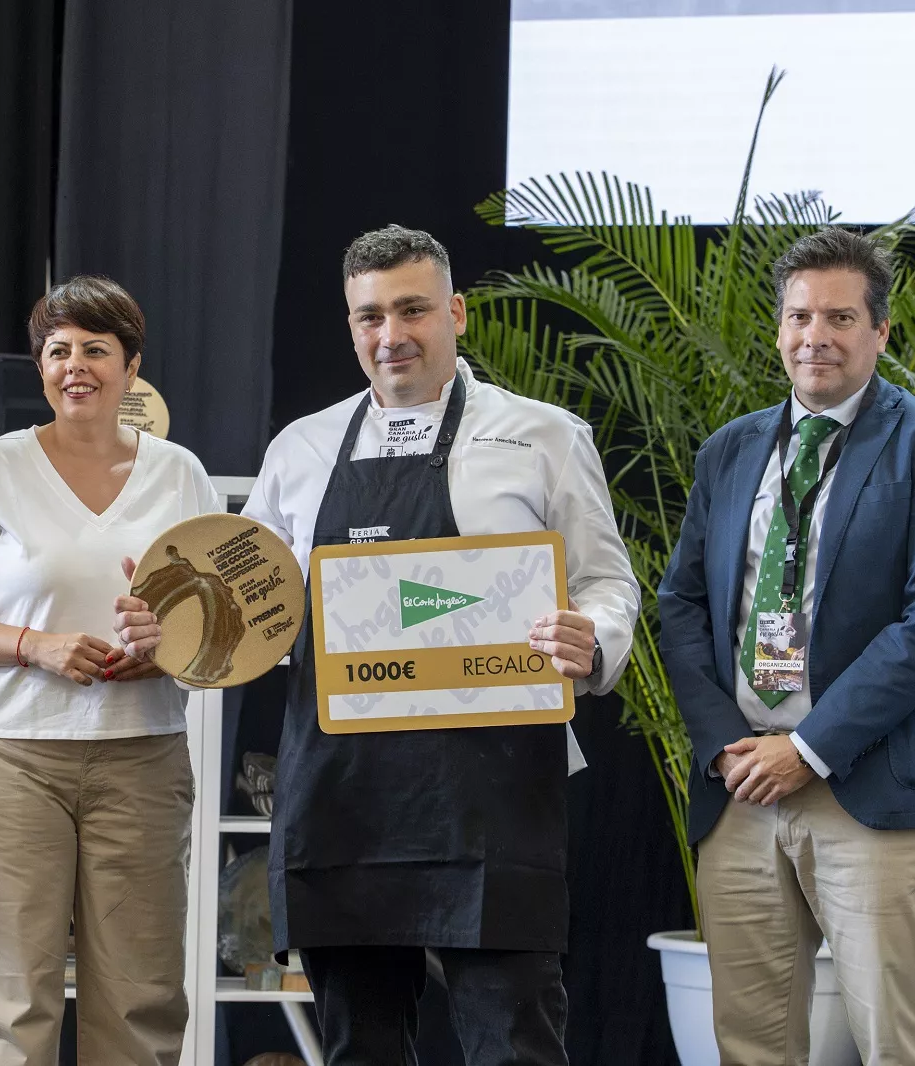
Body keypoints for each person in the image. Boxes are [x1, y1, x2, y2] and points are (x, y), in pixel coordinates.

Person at [116, 225, 640, 1064]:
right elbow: (251, 611)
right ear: (351, 326)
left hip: (492, 786)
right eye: (369, 317)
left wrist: (594, 635)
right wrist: (170, 620)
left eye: (412, 310)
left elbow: (610, 583)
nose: (391, 335)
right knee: (359, 1044)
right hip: (343, 792)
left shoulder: (543, 435)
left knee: (515, 1040)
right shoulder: (303, 446)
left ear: (456, 314)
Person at [657, 227, 915, 1064]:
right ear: (778, 330)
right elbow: (683, 605)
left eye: (841, 317)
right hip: (741, 796)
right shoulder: (729, 451)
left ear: (880, 332)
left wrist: (808, 747)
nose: (817, 336)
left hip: (871, 792)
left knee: (897, 1044)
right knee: (753, 1047)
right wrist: (726, 749)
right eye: (800, 316)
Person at [0, 275, 218, 1066]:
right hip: (9, 758)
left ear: (131, 365)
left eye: (95, 349)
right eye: (58, 350)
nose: (75, 365)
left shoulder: (180, 473)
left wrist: (162, 653)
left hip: (143, 759)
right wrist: (35, 646)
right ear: (40, 367)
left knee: (141, 998)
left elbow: (215, 629)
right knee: (4, 999)